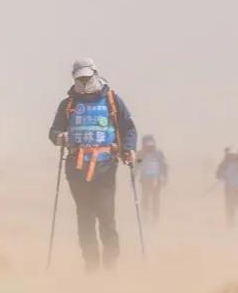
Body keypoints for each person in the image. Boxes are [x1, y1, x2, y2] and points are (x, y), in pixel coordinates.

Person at [49, 59, 137, 273]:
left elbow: (128, 128)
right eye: (79, 78)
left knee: (106, 215)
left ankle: (111, 264)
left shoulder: (112, 100)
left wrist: (129, 149)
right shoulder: (67, 104)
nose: (84, 82)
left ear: (95, 74)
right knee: (85, 216)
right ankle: (91, 266)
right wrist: (60, 137)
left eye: (87, 77)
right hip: (76, 168)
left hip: (105, 166)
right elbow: (53, 132)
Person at [136, 135, 168, 223]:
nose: (149, 147)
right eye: (147, 145)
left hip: (156, 179)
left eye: (151, 145)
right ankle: (145, 216)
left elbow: (163, 165)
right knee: (145, 198)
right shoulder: (141, 154)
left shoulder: (158, 154)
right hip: (145, 180)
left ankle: (155, 217)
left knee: (155, 198)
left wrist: (164, 177)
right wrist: (134, 176)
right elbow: (137, 165)